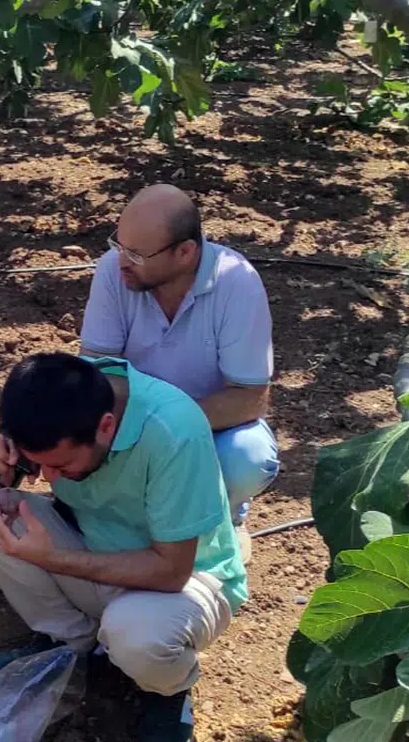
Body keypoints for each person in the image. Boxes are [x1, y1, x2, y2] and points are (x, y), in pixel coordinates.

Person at [0, 353, 247, 742]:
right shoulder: (52, 402)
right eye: (38, 464)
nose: (46, 477)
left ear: (106, 427)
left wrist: (53, 558)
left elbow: (171, 571)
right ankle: (74, 650)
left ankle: (166, 688)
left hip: (185, 583)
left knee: (136, 635)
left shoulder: (173, 430)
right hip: (96, 556)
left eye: (61, 466)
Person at [78, 184, 278, 562]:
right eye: (118, 245)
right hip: (127, 422)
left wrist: (163, 429)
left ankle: (223, 519)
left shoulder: (237, 282)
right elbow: (96, 369)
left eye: (135, 254)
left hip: (207, 429)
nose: (121, 261)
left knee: (247, 457)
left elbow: (249, 398)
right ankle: (139, 522)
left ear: (185, 252)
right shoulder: (113, 271)